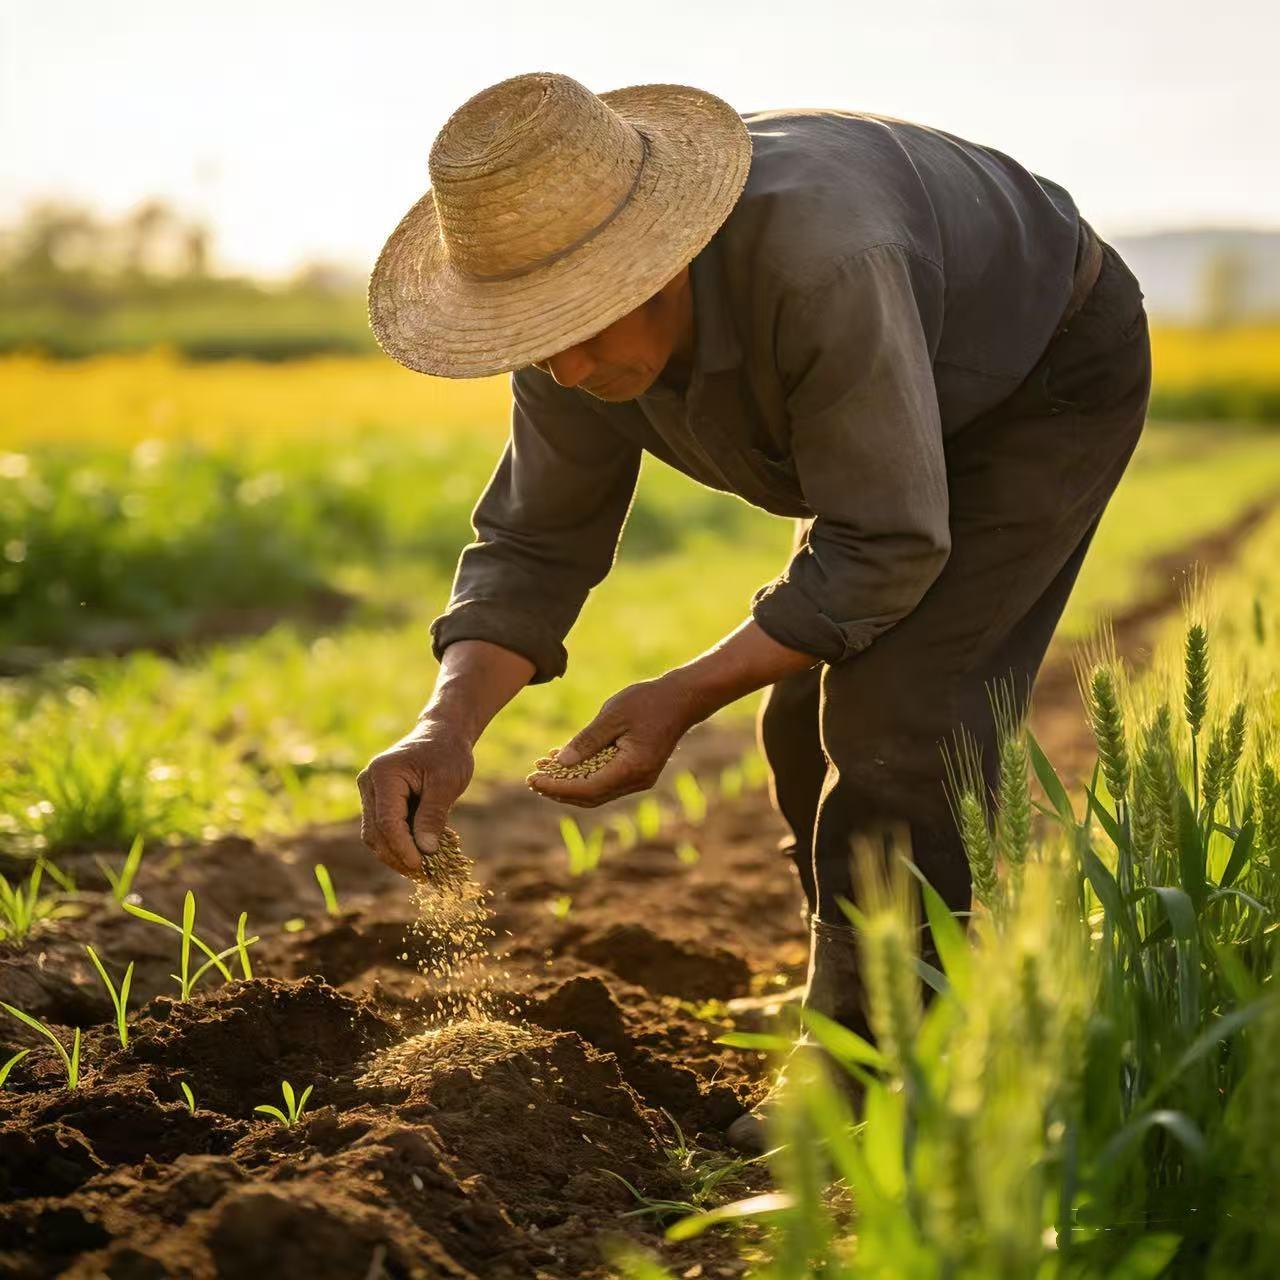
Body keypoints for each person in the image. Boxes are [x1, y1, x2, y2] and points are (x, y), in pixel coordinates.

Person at [358, 71, 1151, 1149]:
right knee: (796, 717)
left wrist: (683, 693)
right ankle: (856, 976)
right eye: (537, 333)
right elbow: (536, 544)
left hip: (1034, 374)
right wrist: (442, 727)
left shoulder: (822, 266)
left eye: (581, 321)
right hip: (889, 376)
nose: (565, 364)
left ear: (665, 257)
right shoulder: (563, 350)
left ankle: (879, 1068)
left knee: (898, 716)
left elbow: (883, 543)